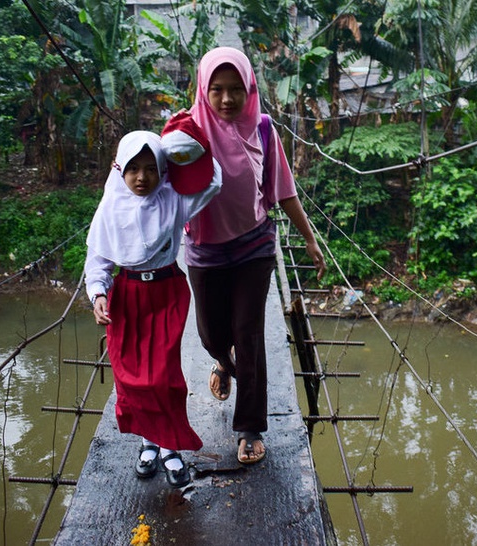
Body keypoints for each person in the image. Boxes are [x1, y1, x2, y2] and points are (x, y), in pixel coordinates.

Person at [184, 47, 326, 465]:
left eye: (236, 90)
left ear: (249, 91)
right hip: (204, 250)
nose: (227, 99)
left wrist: (311, 240)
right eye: (217, 89)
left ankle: (249, 427)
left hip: (253, 246)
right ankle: (223, 363)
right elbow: (155, 185)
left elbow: (283, 191)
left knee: (249, 333)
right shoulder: (188, 132)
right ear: (203, 89)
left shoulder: (263, 129)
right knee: (211, 333)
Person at [84, 123, 222, 485]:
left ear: (162, 169)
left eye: (150, 168)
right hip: (126, 296)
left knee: (163, 378)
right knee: (130, 377)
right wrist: (98, 293)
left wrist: (193, 143)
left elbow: (213, 182)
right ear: (119, 170)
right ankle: (148, 441)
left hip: (165, 293)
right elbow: (98, 258)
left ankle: (169, 447)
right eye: (132, 168)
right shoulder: (111, 208)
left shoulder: (173, 200)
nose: (141, 177)